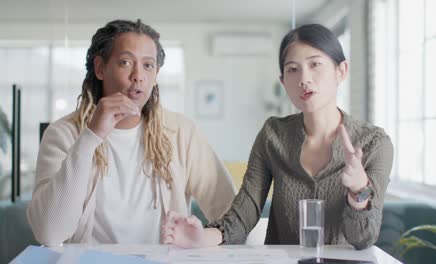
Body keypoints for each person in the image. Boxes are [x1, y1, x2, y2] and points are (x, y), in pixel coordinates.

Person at [162, 24, 394, 250]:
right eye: (293, 69)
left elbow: (363, 239)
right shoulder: (273, 135)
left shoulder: (374, 143)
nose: (304, 78)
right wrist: (201, 238)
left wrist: (359, 190)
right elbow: (244, 213)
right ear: (283, 81)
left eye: (315, 64)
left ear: (341, 71)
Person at [27, 19, 236, 246]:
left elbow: (233, 214)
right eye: (125, 62)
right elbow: (49, 233)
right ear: (100, 68)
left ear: (156, 75)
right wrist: (89, 138)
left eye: (148, 65)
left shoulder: (181, 132)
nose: (138, 76)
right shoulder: (62, 134)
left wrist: (203, 238)